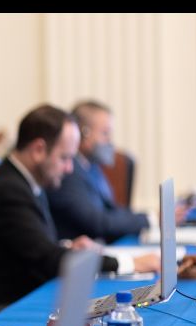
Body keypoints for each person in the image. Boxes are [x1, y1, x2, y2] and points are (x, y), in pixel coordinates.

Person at [0, 104, 159, 306]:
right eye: (65, 158)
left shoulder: (23, 180)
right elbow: (49, 261)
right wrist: (131, 263)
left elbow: (27, 248)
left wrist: (66, 247)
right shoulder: (9, 191)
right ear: (39, 150)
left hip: (15, 298)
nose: (70, 169)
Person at [46, 100, 150, 243]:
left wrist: (149, 217)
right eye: (105, 133)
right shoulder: (68, 171)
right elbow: (98, 223)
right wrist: (150, 219)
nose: (110, 141)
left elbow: (112, 210)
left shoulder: (90, 166)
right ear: (84, 133)